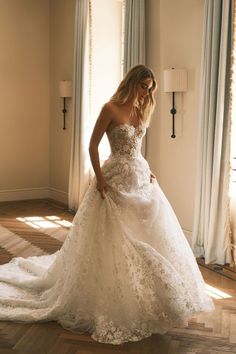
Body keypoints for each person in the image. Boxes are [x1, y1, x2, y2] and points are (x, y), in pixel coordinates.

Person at [0, 65, 215, 345]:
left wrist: (146, 170)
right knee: (114, 235)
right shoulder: (110, 108)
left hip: (140, 176)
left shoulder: (141, 109)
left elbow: (136, 148)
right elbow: (92, 145)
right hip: (113, 178)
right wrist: (99, 178)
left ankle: (149, 300)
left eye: (149, 88)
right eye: (143, 86)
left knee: (149, 232)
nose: (146, 91)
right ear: (132, 83)